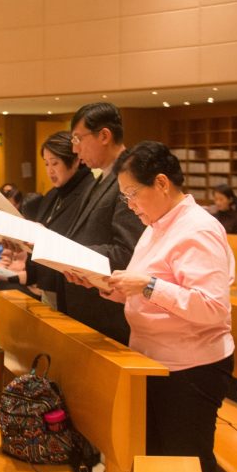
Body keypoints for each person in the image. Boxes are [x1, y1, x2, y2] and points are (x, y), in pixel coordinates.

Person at [77, 141, 234, 472]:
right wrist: (106, 286)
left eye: (131, 194)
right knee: (160, 468)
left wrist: (145, 285)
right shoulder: (157, 224)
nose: (128, 204)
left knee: (191, 470)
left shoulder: (198, 229)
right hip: (154, 362)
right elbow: (150, 290)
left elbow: (212, 307)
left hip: (192, 369)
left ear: (161, 183)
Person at [61, 102, 144, 344]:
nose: (75, 150)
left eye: (78, 139)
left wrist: (72, 254)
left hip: (108, 313)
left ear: (104, 135)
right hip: (89, 307)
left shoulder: (129, 179)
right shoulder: (100, 178)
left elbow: (127, 252)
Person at [25, 131, 97, 308]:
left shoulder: (89, 193)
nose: (50, 170)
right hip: (48, 281)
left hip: (74, 288)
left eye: (55, 163)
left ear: (75, 160)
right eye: (46, 164)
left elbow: (78, 240)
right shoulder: (52, 195)